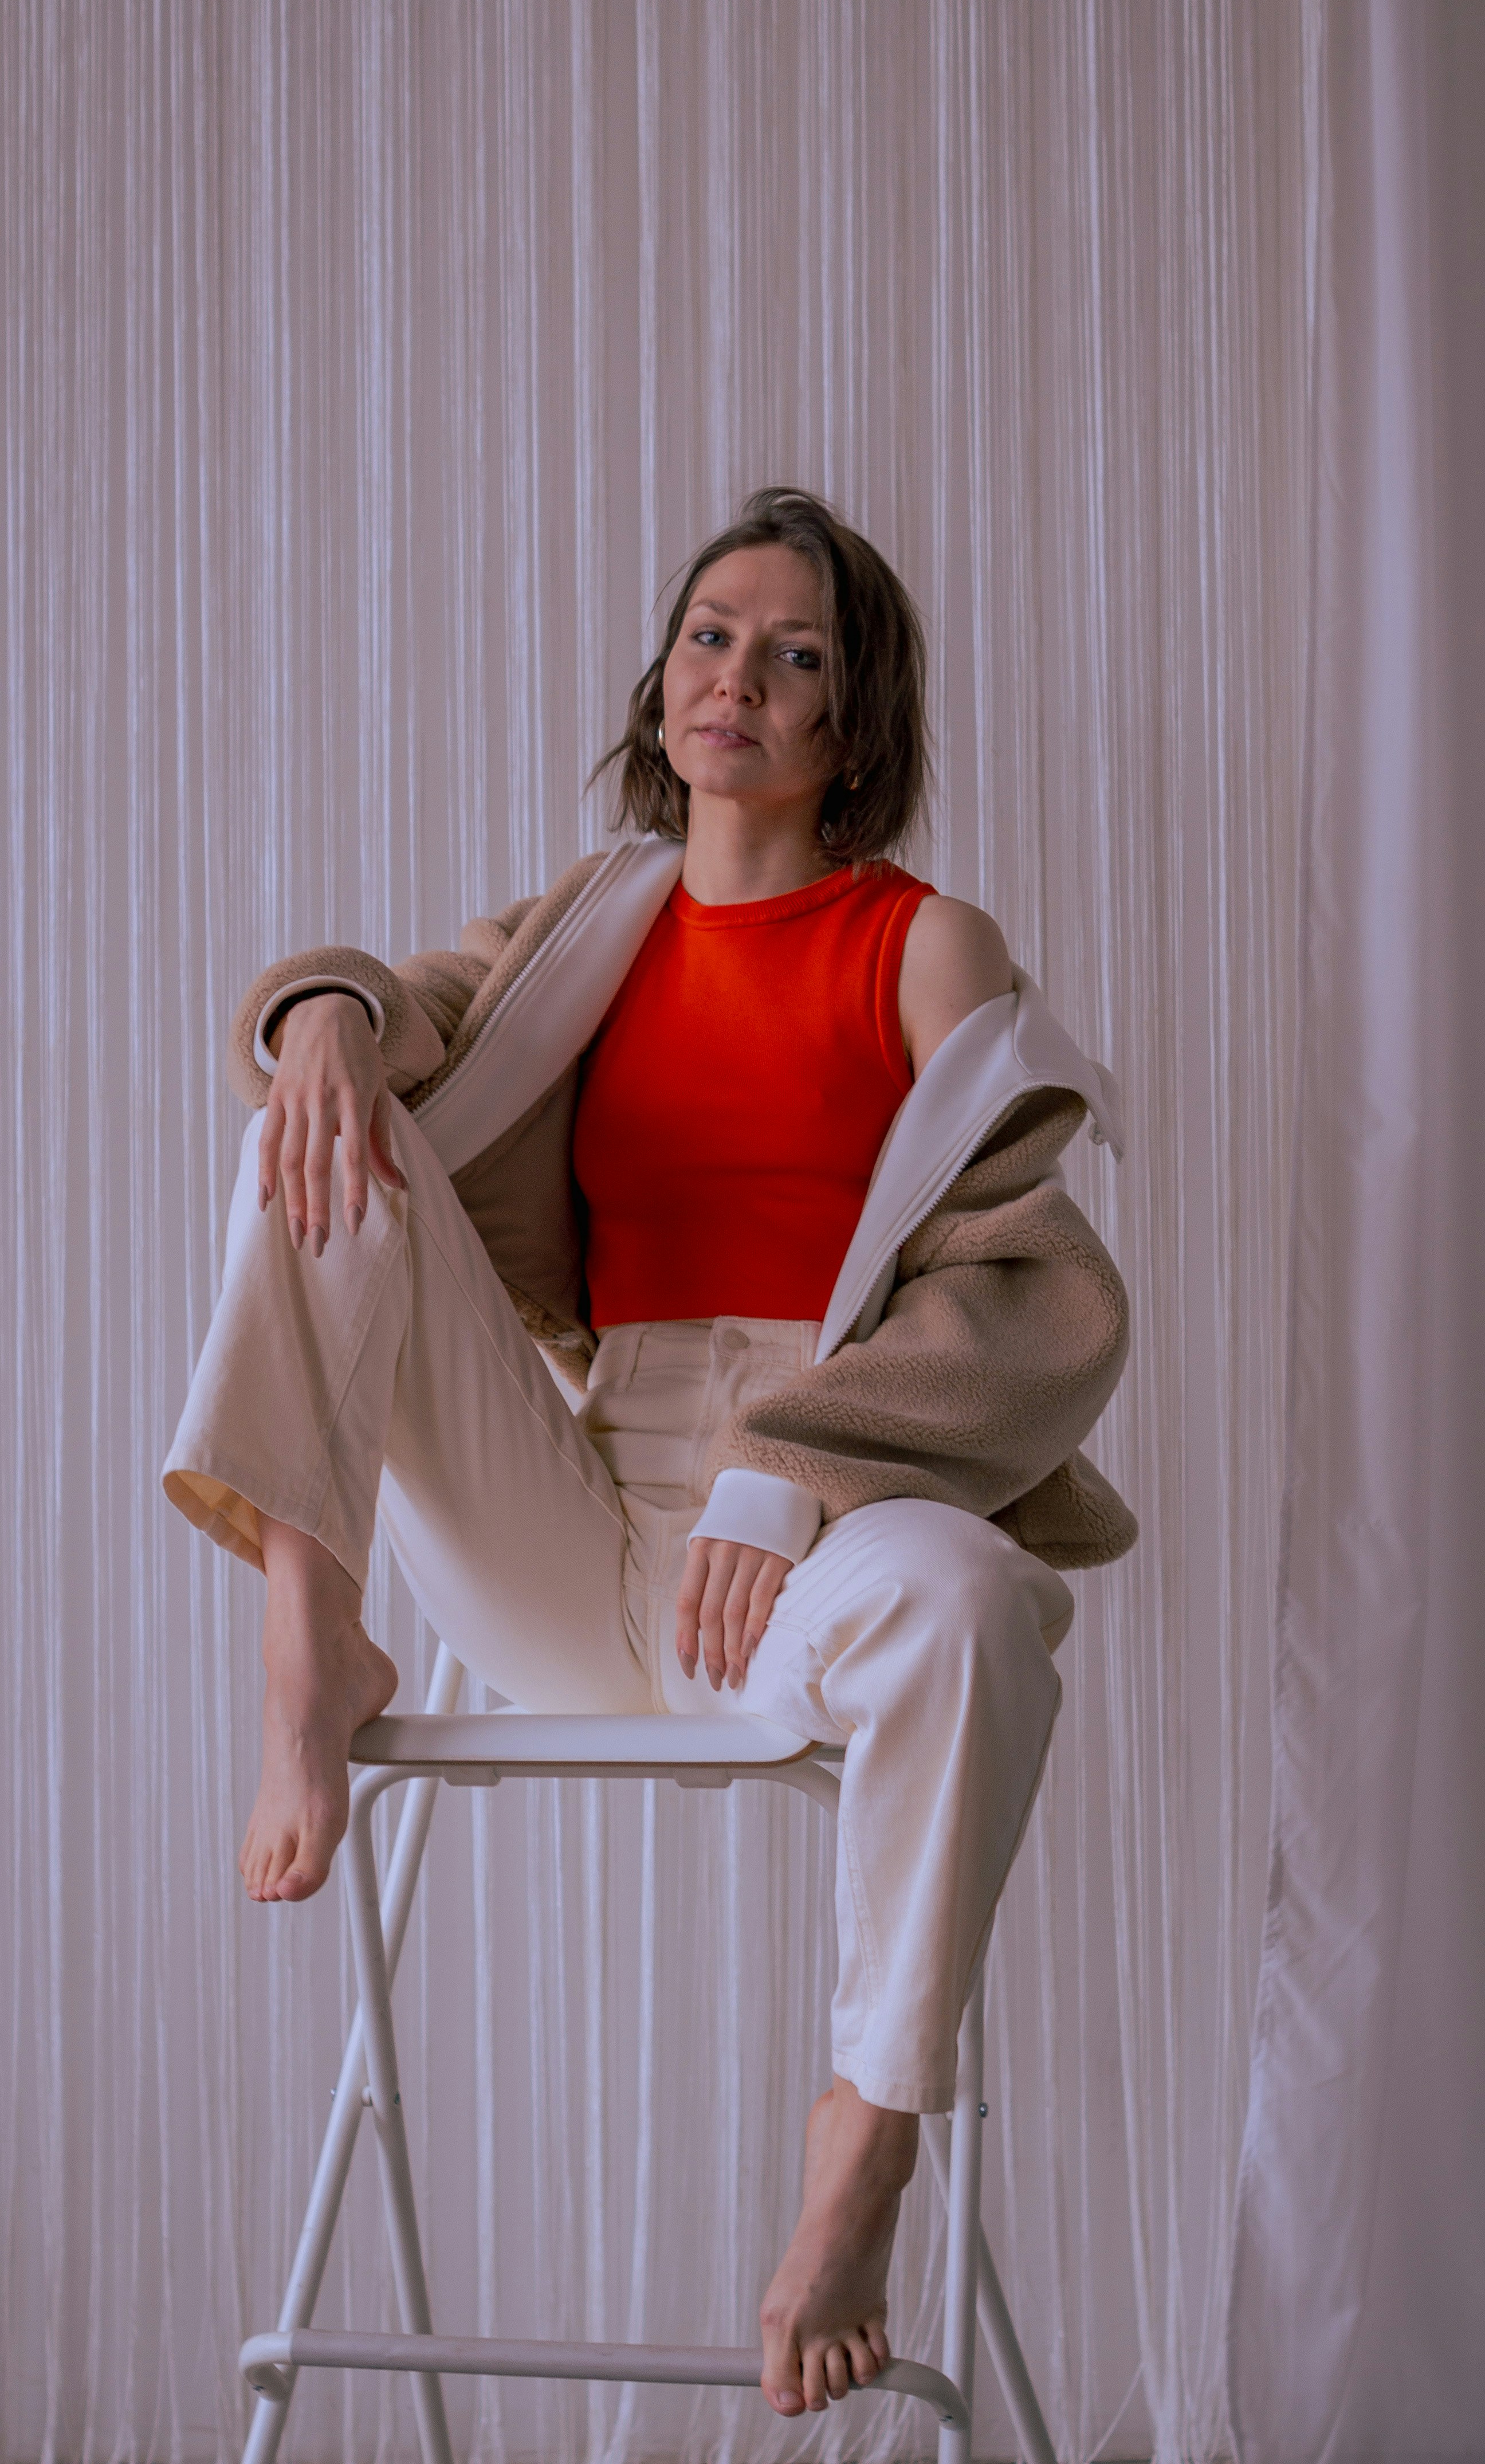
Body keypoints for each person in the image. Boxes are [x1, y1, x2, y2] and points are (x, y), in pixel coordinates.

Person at [164, 485, 1136, 2419]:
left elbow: (1037, 1304)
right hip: (580, 1513)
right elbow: (394, 1007)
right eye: (711, 636)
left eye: (796, 656)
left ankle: (867, 2132)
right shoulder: (590, 926)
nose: (740, 679)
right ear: (662, 679)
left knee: (971, 1598)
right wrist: (334, 1022)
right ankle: (313, 1636)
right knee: (321, 1125)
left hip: (823, 1521)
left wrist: (796, 1471)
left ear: (852, 728)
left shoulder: (923, 945)